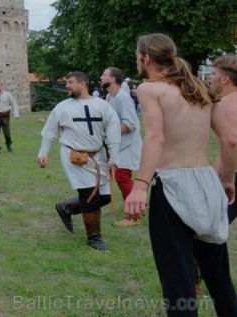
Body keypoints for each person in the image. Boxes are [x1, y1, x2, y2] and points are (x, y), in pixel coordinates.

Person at [124, 34, 236, 317]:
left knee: (178, 282)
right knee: (218, 276)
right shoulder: (200, 88)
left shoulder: (150, 89)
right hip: (208, 184)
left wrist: (139, 185)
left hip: (173, 186)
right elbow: (230, 140)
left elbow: (156, 137)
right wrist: (227, 179)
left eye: (138, 56)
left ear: (146, 58)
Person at [37, 71, 121, 251]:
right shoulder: (62, 107)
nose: (67, 85)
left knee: (104, 196)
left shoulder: (103, 106)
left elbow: (113, 134)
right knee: (90, 195)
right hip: (74, 157)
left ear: (82, 84)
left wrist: (113, 159)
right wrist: (43, 153)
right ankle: (94, 238)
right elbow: (49, 132)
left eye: (70, 82)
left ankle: (66, 208)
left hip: (97, 156)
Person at [100, 67, 143, 227]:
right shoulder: (109, 97)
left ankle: (134, 216)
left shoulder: (123, 97)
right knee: (121, 176)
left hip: (128, 145)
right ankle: (137, 204)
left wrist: (108, 132)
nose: (101, 77)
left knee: (122, 177)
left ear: (112, 79)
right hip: (116, 146)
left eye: (104, 75)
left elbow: (130, 124)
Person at [209, 54, 237, 223]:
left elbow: (231, 142)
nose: (210, 78)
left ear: (225, 79)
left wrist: (215, 174)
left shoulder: (223, 104)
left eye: (213, 74)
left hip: (232, 173)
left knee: (213, 228)